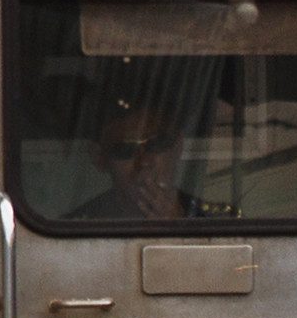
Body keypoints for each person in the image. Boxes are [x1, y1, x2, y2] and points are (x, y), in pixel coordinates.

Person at [69, 96, 206, 223]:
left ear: (178, 146)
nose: (144, 162)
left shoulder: (215, 221)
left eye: (157, 144)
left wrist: (181, 228)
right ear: (99, 157)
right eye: (126, 150)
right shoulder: (73, 228)